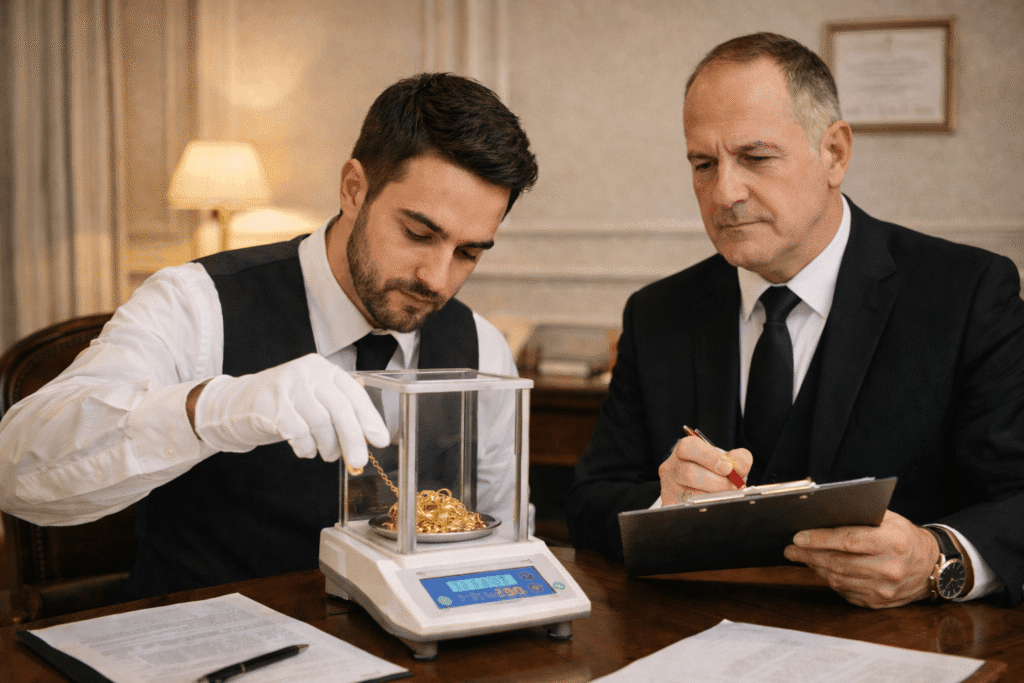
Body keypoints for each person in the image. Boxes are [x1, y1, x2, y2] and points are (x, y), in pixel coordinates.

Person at [0, 73, 538, 599]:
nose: (437, 279)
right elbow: (17, 475)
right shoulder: (198, 303)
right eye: (419, 234)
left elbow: (500, 539)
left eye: (468, 253)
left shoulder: (481, 346)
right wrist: (219, 408)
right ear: (354, 189)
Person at [566, 33, 1024, 609]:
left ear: (834, 153)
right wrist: (662, 507)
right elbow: (588, 501)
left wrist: (939, 559)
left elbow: (1016, 497)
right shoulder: (658, 312)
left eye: (756, 158)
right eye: (703, 164)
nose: (725, 192)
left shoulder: (967, 293)